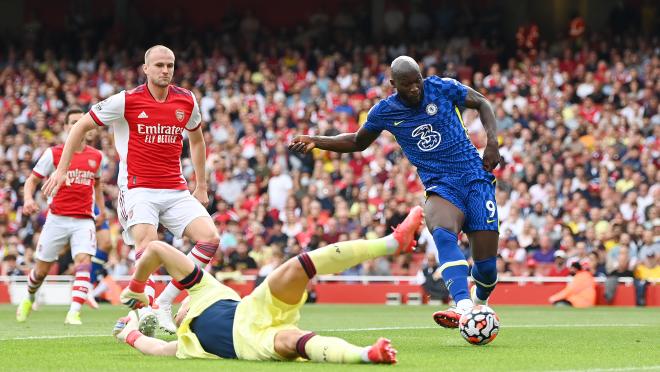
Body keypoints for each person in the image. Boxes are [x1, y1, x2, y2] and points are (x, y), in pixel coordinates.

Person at [289, 56, 502, 328]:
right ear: (393, 84)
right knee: (442, 231)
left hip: (475, 178)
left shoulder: (443, 87)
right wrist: (316, 141)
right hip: (441, 184)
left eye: (417, 81)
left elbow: (482, 102)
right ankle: (463, 306)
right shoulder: (385, 111)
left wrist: (492, 143)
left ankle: (479, 300)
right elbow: (357, 141)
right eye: (407, 84)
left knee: (486, 269)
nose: (415, 88)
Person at [41, 45, 220, 333]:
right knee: (148, 245)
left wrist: (202, 185)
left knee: (210, 239)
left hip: (175, 188)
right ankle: (144, 310)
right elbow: (79, 127)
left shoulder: (186, 100)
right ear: (146, 69)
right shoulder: (126, 100)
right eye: (159, 65)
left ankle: (163, 302)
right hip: (139, 188)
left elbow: (197, 140)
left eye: (170, 65)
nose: (165, 70)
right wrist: (61, 170)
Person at [113, 206, 424, 364]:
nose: (179, 311)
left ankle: (391, 242)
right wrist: (130, 333)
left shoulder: (206, 289)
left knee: (294, 268)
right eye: (178, 312)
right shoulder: (185, 344)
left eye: (179, 305)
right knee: (292, 342)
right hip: (251, 344)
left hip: (254, 309)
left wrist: (137, 286)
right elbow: (153, 347)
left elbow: (157, 250)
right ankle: (367, 355)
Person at [17, 108, 105, 325]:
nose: (76, 125)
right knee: (41, 271)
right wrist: (28, 199)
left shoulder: (96, 156)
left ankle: (74, 312)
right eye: (72, 122)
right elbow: (32, 180)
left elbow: (98, 184)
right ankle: (29, 297)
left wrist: (101, 209)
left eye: (79, 121)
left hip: (84, 219)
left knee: (84, 261)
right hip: (57, 218)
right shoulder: (54, 154)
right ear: (66, 127)